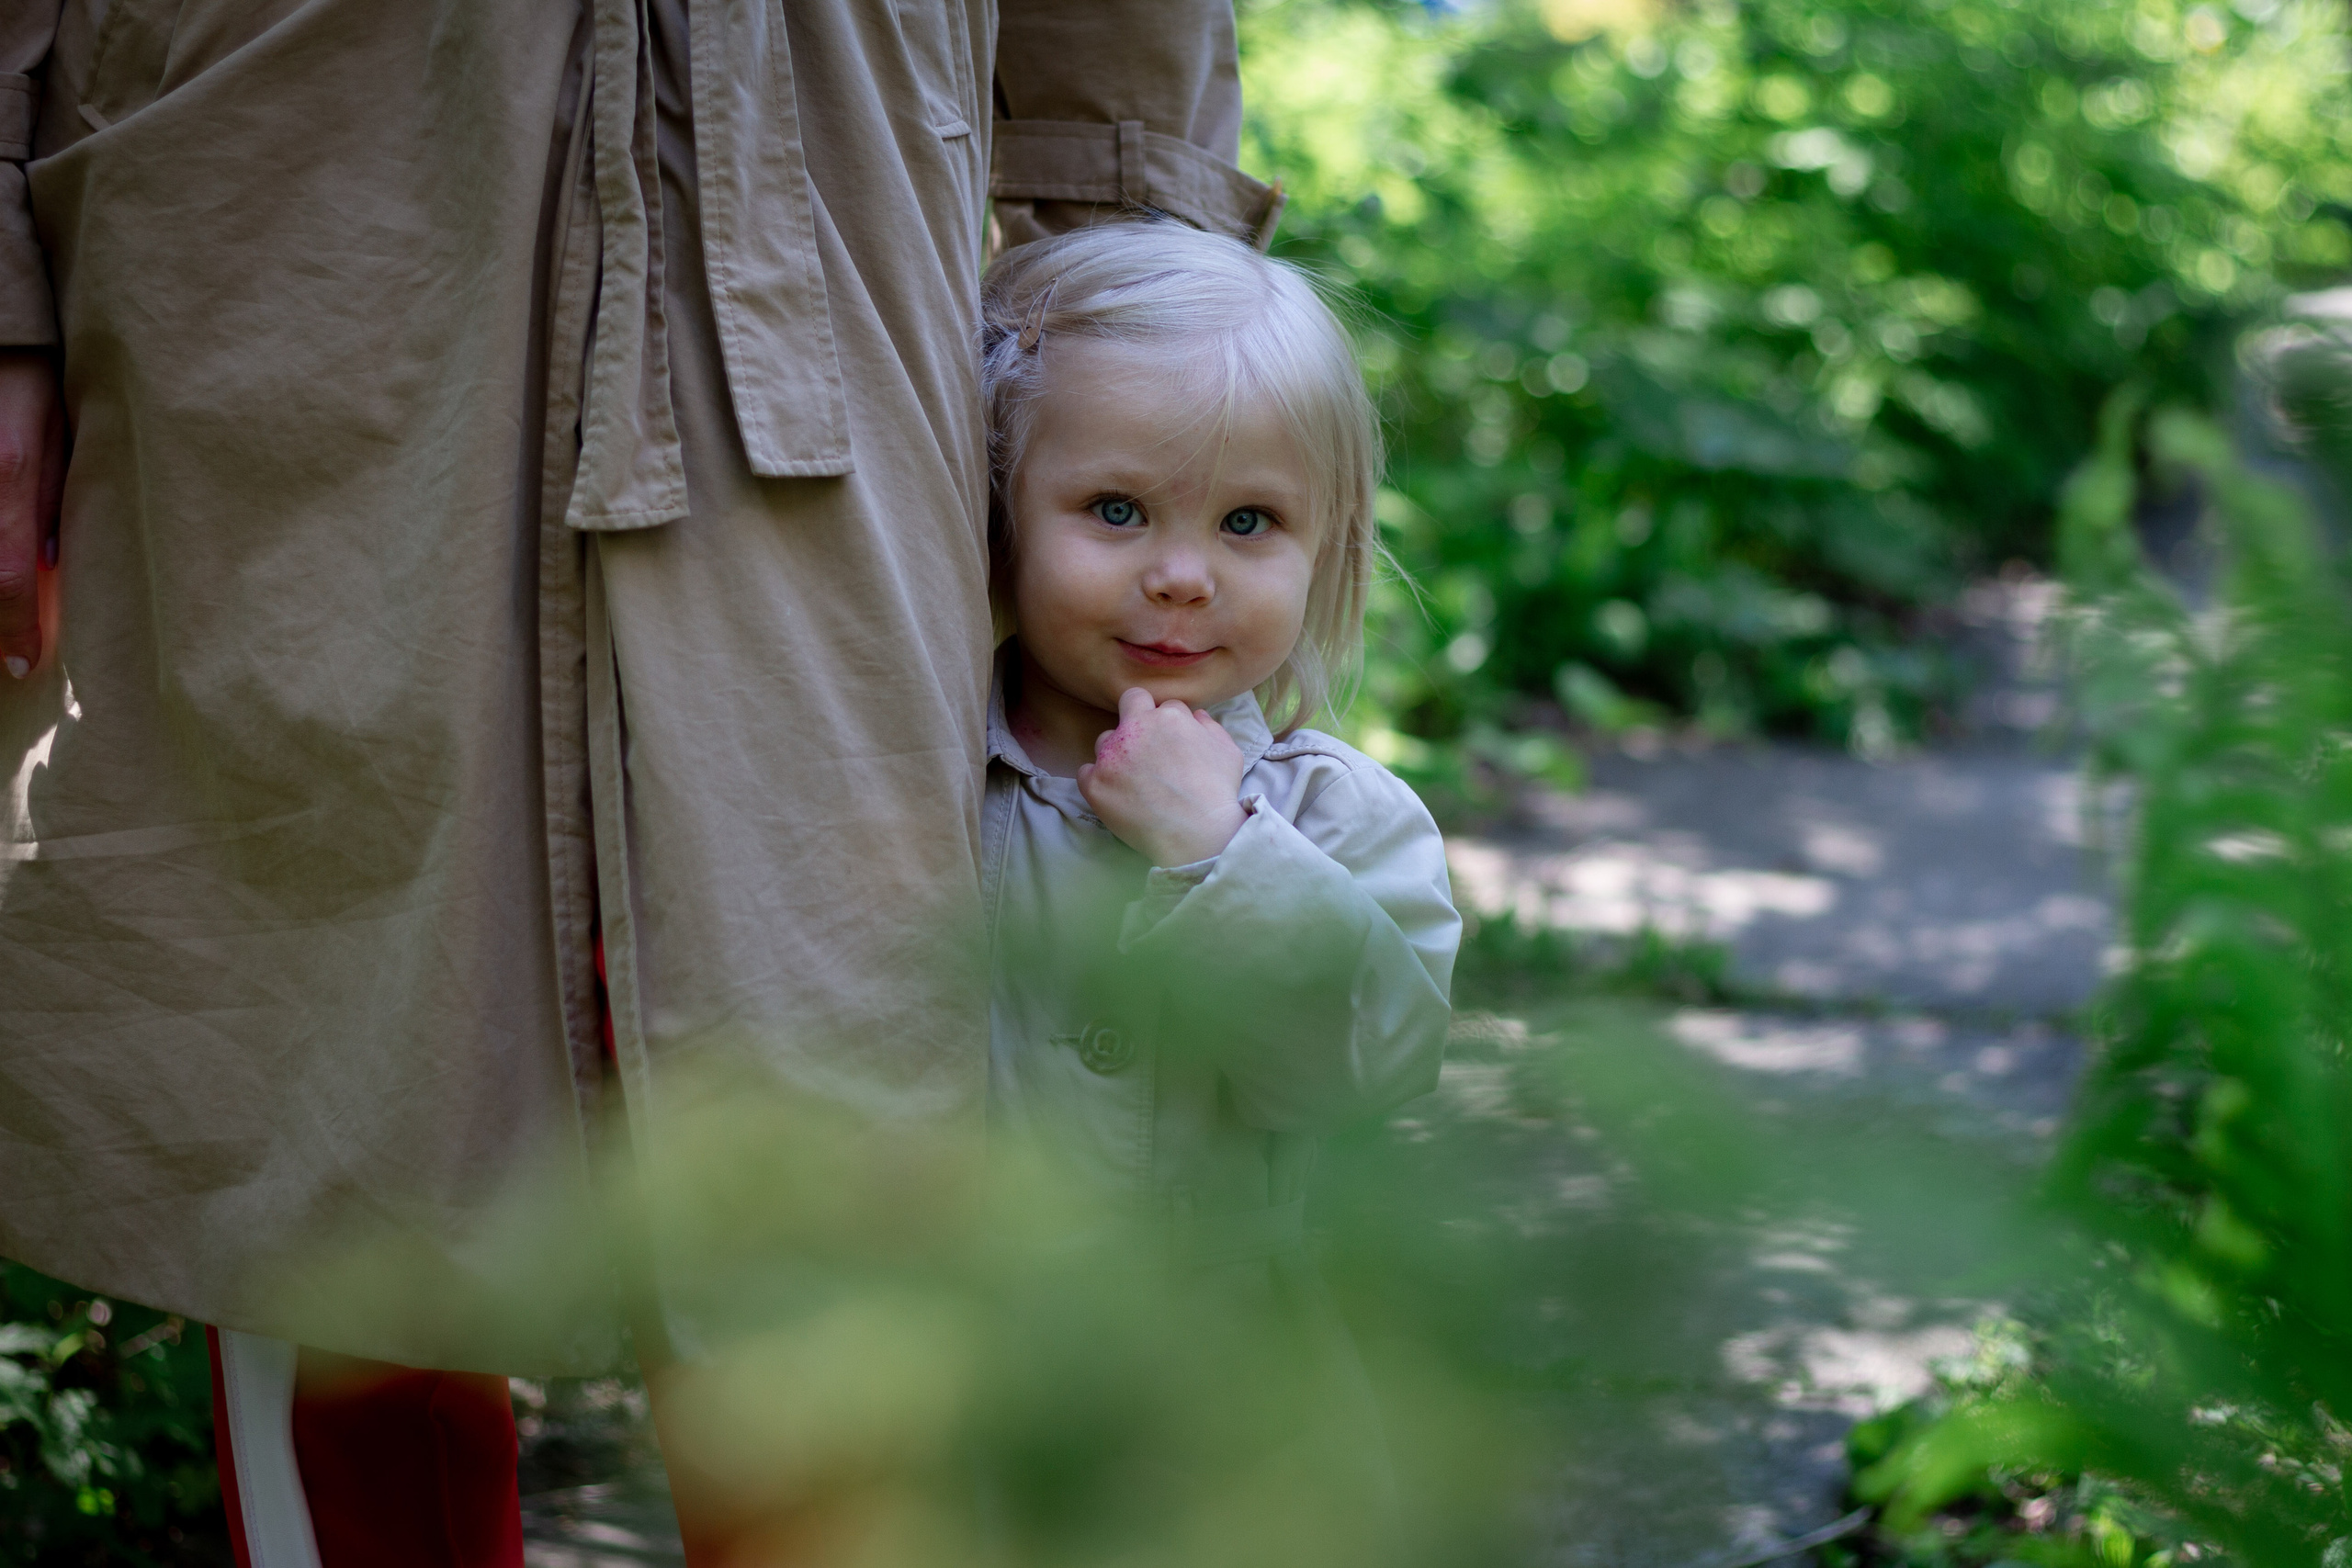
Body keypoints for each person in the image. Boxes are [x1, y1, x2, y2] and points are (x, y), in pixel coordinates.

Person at [0, 4, 1283, 1563]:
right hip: (295, 216)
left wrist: (1158, 319)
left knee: (832, 1079)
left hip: (827, 229)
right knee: (325, 1076)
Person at [975, 220, 1458, 1341]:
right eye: (1116, 510)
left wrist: (1223, 854)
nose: (1183, 577)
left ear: (1324, 549)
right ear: (1000, 515)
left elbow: (1369, 1066)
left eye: (1248, 521)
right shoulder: (923, 778)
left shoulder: (1334, 815)